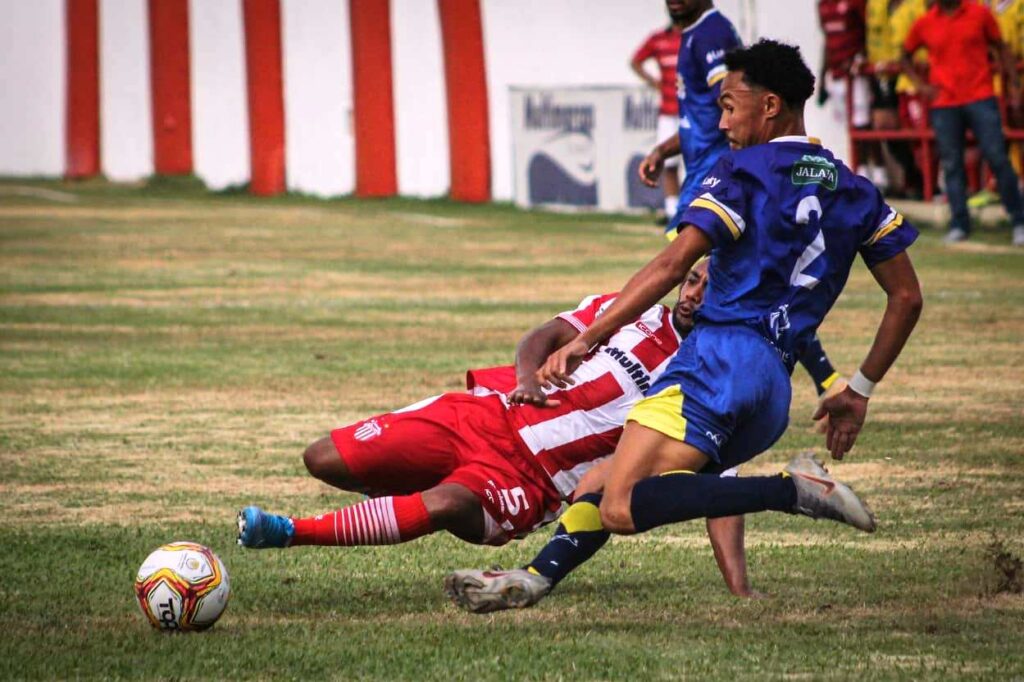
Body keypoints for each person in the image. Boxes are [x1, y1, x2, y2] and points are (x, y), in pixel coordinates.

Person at [448, 40, 923, 613]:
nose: (720, 121)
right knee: (603, 479)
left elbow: (673, 265)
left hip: (718, 359)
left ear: (770, 105)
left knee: (621, 504)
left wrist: (586, 338)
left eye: (729, 105)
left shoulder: (745, 170)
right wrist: (859, 389)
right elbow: (906, 297)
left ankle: (791, 490)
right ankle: (532, 579)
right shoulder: (855, 189)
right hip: (773, 387)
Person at [236, 261, 756, 594]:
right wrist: (528, 379)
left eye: (713, 288)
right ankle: (409, 498)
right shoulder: (628, 314)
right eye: (692, 279)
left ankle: (286, 533)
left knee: (448, 504)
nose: (694, 294)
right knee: (322, 458)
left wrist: (739, 590)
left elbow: (722, 485)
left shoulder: (712, 375)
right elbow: (545, 334)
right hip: (484, 414)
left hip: (533, 480)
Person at [901, 0, 1024, 245]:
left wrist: (1014, 85)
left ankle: (1019, 220)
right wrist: (922, 87)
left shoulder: (980, 14)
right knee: (952, 164)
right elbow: (904, 55)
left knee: (998, 157)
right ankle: (959, 224)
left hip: (981, 96)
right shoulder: (924, 23)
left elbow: (1001, 47)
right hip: (945, 102)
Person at [636, 0, 741, 241]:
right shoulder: (695, 33)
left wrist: (738, 166)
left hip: (713, 174)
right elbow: (699, 122)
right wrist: (662, 151)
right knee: (690, 265)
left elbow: (731, 106)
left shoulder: (710, 34)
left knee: (679, 262)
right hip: (701, 173)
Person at [630, 1, 685, 222]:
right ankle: (672, 210)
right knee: (668, 163)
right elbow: (636, 61)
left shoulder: (695, 39)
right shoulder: (658, 39)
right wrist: (654, 83)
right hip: (668, 110)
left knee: (693, 163)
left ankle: (691, 209)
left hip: (692, 112)